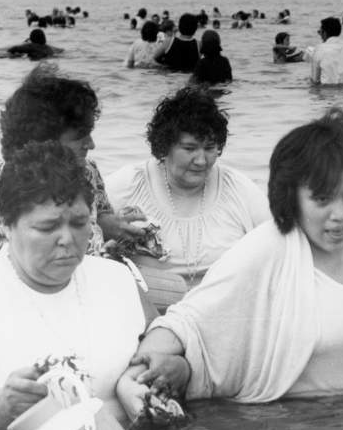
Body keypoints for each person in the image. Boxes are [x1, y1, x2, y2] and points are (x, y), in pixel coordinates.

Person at [121, 109, 343, 403]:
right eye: (322, 199)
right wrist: (140, 370)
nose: (340, 215)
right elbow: (187, 320)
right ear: (292, 197)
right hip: (283, 424)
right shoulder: (268, 247)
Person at [0, 141, 153, 430]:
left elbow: (164, 345)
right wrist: (2, 404)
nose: (67, 239)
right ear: (6, 225)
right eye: (47, 228)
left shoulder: (118, 280)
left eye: (79, 223)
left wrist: (160, 369)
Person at [0, 66, 146, 296]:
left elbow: (95, 220)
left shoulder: (87, 171)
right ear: (43, 139)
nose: (91, 145)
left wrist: (111, 225)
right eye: (80, 137)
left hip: (86, 302)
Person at [105, 87, 269, 304]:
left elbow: (279, 251)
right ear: (165, 146)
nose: (201, 160)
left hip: (222, 312)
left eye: (210, 148)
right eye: (190, 148)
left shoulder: (239, 189)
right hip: (148, 313)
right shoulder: (127, 185)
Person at [308, 17, 343, 86]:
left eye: (319, 32)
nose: (320, 35)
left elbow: (315, 80)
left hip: (327, 92)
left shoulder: (319, 49)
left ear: (324, 33)